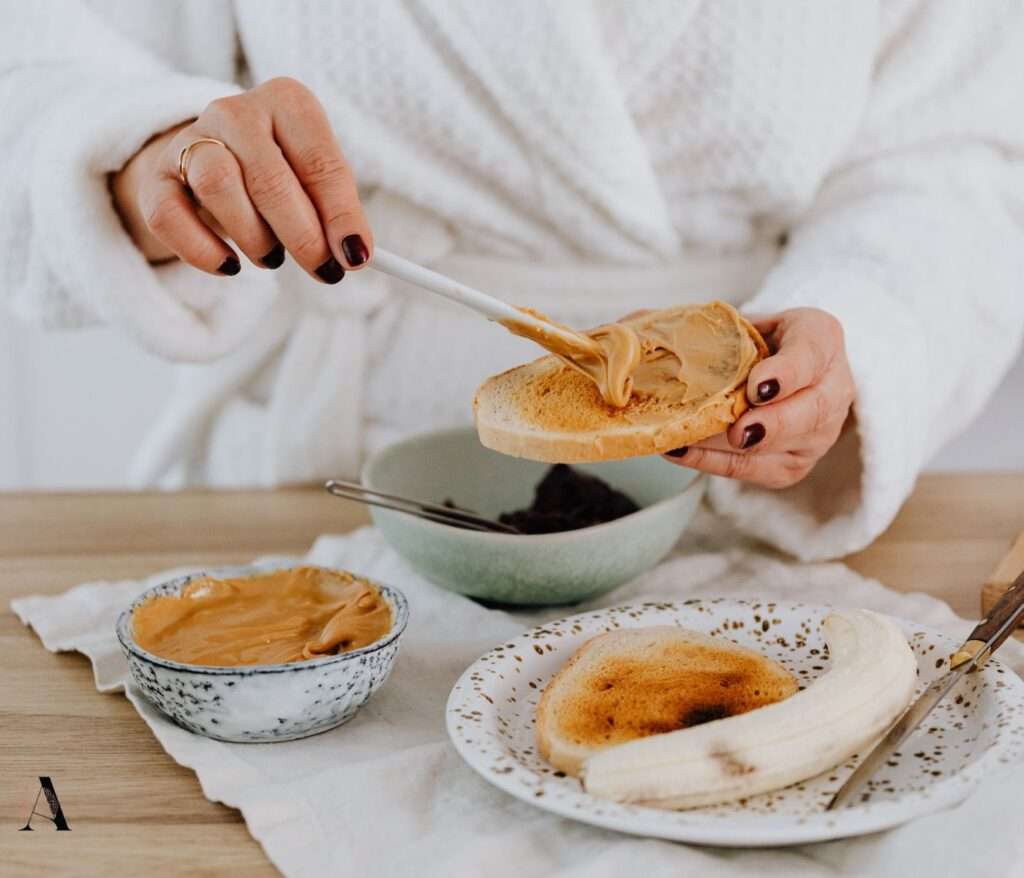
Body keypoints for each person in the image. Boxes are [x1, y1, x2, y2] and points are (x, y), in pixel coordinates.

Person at [2, 1, 1023, 561]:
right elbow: (38, 67)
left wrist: (853, 336)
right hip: (330, 492)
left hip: (744, 507)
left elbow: (957, 149)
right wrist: (148, 160)